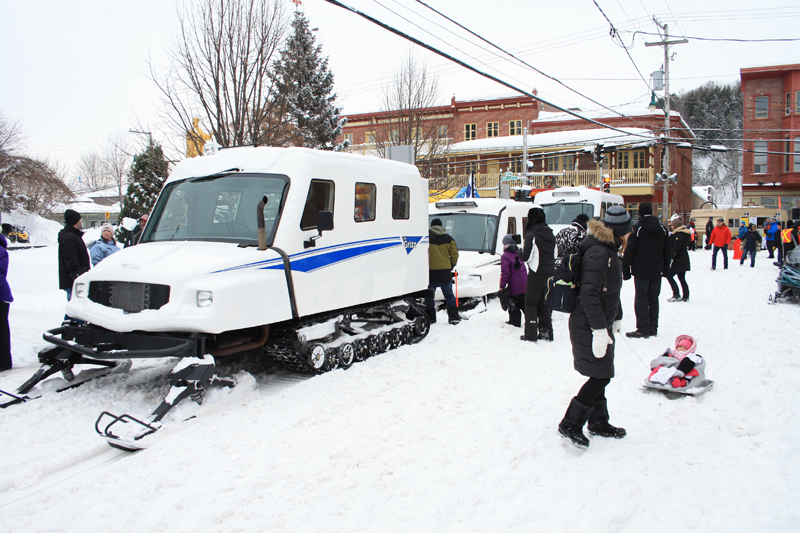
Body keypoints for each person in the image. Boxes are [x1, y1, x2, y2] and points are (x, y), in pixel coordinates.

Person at [557, 205, 631, 448]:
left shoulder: (607, 250)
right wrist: (599, 329)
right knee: (600, 377)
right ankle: (570, 424)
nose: (631, 235)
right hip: (589, 324)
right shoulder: (600, 254)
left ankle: (598, 422)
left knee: (601, 373)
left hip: (597, 322)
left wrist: (616, 316)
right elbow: (589, 294)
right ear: (620, 232)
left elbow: (610, 291)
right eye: (629, 232)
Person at [622, 203, 670, 339]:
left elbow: (629, 250)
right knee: (654, 299)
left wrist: (625, 270)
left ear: (639, 213)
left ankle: (642, 328)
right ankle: (653, 327)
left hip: (641, 270)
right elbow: (667, 250)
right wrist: (666, 269)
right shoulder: (662, 228)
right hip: (657, 270)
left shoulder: (637, 229)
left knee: (641, 299)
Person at [519, 207, 556, 342]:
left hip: (536, 273)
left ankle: (530, 335)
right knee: (544, 303)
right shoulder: (551, 235)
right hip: (550, 273)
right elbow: (555, 254)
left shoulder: (531, 236)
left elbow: (525, 257)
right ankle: (546, 332)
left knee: (530, 303)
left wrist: (518, 252)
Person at [426, 218, 460, 325]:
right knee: (449, 294)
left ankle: (431, 318)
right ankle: (453, 317)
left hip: (430, 272)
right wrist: (450, 266)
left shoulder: (427, 238)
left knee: (429, 295)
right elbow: (455, 255)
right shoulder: (449, 239)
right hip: (445, 272)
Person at [58, 209, 91, 303]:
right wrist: (78, 275)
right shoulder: (69, 237)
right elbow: (70, 259)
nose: (81, 221)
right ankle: (69, 318)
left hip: (76, 279)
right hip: (73, 280)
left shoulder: (73, 236)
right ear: (75, 221)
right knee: (75, 306)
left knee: (76, 306)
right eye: (80, 219)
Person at [499, 234, 526, 327]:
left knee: (513, 303)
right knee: (524, 303)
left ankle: (515, 322)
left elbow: (505, 273)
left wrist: (502, 286)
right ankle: (532, 320)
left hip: (514, 285)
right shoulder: (520, 252)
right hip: (525, 283)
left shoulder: (505, 256)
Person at [666, 217, 691, 302]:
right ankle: (685, 295)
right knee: (681, 278)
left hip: (679, 260)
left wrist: (671, 258)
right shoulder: (680, 234)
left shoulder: (679, 235)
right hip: (682, 260)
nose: (671, 227)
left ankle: (676, 294)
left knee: (669, 276)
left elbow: (676, 248)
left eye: (672, 225)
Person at [0, 233, 12, 371]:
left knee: (1, 330)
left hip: (1, 296)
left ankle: (4, 362)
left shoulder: (1, 250)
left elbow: (1, 273)